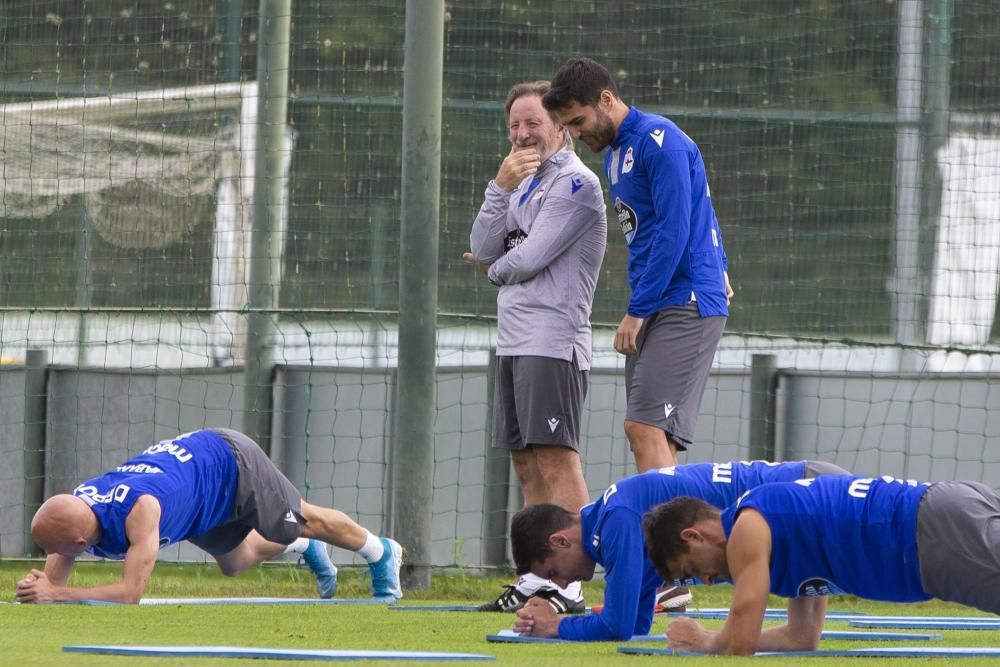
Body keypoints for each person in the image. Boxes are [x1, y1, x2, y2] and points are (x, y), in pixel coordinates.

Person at [542, 58, 732, 474]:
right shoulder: (615, 154)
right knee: (655, 436)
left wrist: (638, 310)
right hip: (662, 299)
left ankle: (670, 538)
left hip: (684, 301)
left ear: (606, 99)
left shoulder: (660, 140)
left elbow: (675, 228)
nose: (574, 133)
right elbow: (698, 207)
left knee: (642, 426)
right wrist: (720, 263)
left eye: (578, 120)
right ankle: (669, 532)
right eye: (567, 126)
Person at [465, 80, 607, 614]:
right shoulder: (518, 181)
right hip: (513, 340)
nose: (523, 135)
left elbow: (523, 259)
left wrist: (492, 269)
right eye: (514, 126)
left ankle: (571, 583)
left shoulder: (576, 184)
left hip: (553, 340)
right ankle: (535, 578)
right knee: (525, 463)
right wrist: (498, 189)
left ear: (559, 126)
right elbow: (484, 242)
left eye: (533, 124)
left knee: (555, 459)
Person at [15, 428, 403, 604]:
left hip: (229, 463)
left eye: (53, 551)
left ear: (79, 543)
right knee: (236, 562)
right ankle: (303, 546)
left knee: (303, 517)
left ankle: (380, 551)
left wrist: (56, 592)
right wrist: (41, 591)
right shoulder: (76, 511)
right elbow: (51, 586)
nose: (52, 557)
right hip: (198, 499)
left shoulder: (139, 512)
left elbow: (130, 594)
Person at [643, 474, 1000, 655]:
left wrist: (704, 641)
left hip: (930, 534)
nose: (706, 581)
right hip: (941, 517)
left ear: (694, 536)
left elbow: (741, 643)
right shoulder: (777, 533)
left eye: (691, 571)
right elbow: (802, 638)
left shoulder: (746, 530)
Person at [509, 460, 850, 641]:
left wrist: (555, 626)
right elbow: (634, 628)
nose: (566, 583)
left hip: (812, 497)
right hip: (811, 489)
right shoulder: (617, 517)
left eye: (554, 573)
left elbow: (616, 626)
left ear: (560, 540)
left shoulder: (617, 520)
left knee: (896, 566)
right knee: (804, 638)